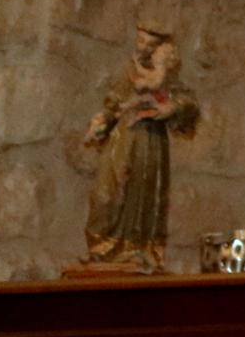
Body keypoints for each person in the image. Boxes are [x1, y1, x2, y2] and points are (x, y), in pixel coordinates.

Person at [77, 25, 198, 273]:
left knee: (143, 195)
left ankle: (138, 250)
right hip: (121, 140)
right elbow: (114, 104)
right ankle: (103, 249)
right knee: (106, 195)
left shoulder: (168, 78)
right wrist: (100, 122)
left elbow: (188, 105)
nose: (142, 47)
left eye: (148, 44)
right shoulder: (129, 72)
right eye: (140, 41)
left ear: (159, 49)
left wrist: (171, 108)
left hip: (148, 142)